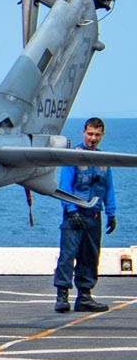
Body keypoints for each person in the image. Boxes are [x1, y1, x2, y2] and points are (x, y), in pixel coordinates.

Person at [53, 117, 117, 313]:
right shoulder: (73, 157)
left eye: (97, 135)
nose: (93, 138)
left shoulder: (104, 160)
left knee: (90, 257)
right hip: (75, 216)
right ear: (84, 133)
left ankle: (85, 296)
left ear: (102, 136)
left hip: (94, 216)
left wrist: (111, 213)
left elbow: (108, 188)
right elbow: (65, 186)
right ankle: (62, 296)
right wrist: (71, 211)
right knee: (68, 255)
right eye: (90, 134)